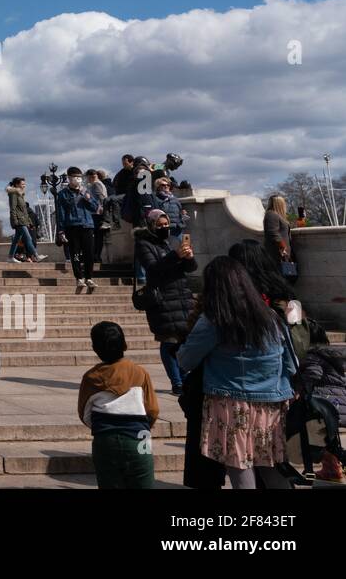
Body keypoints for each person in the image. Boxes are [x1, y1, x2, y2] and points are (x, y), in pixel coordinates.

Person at [177, 255, 297, 490]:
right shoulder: (271, 317)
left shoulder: (214, 319)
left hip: (230, 404)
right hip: (271, 404)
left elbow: (186, 360)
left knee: (239, 465)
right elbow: (291, 365)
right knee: (270, 465)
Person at [77, 321, 160, 489]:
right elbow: (152, 409)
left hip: (105, 442)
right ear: (125, 344)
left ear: (95, 349)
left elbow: (84, 414)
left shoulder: (91, 378)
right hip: (139, 441)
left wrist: (103, 427)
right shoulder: (140, 373)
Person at [134, 208, 196, 395]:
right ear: (151, 225)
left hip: (182, 296)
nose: (164, 227)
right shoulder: (143, 243)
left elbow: (190, 268)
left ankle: (186, 378)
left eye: (166, 224)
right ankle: (177, 382)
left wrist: (188, 258)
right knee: (169, 341)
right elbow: (152, 268)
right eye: (160, 225)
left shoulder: (170, 242)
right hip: (162, 298)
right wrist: (175, 256)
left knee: (184, 341)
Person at [291, 322, 346, 482]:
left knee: (310, 436)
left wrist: (298, 388)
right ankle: (331, 469)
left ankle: (331, 467)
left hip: (325, 405)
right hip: (336, 405)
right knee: (328, 440)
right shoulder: (329, 355)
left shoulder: (311, 355)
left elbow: (314, 373)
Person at [54, 166, 99, 289]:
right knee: (75, 254)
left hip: (87, 225)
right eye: (75, 177)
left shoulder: (86, 191)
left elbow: (95, 208)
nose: (78, 179)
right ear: (69, 178)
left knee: (89, 253)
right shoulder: (62, 194)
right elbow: (61, 213)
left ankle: (89, 278)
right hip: (72, 226)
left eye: (79, 177)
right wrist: (61, 230)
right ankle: (79, 278)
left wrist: (88, 199)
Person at [5, 178, 38, 262]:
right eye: (22, 184)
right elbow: (13, 209)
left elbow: (24, 211)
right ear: (17, 185)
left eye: (24, 184)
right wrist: (15, 221)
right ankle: (36, 255)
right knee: (28, 238)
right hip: (19, 221)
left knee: (16, 240)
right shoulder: (13, 194)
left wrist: (30, 223)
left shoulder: (21, 194)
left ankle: (10, 257)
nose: (24, 185)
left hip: (23, 220)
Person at [85, 169, 110, 264]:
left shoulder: (96, 184)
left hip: (97, 213)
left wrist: (100, 208)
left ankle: (96, 256)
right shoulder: (96, 184)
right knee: (97, 236)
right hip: (97, 213)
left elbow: (102, 198)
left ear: (90, 176)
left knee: (97, 236)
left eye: (86, 177)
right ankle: (96, 256)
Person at [263, 195, 292, 273]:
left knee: (288, 275)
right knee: (284, 277)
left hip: (282, 253)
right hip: (278, 253)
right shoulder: (271, 214)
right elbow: (273, 232)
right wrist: (283, 247)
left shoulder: (277, 215)